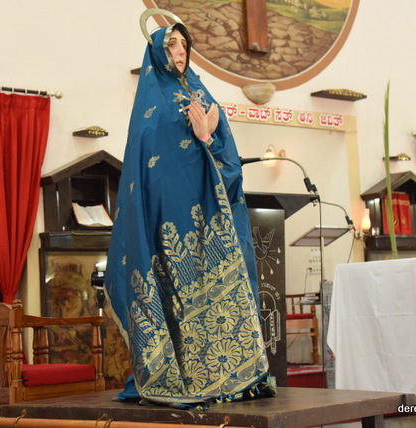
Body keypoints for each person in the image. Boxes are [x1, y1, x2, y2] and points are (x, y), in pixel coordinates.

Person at [105, 9, 275, 409]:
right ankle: (180, 374)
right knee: (176, 297)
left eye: (184, 44)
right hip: (168, 221)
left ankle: (232, 377)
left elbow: (229, 167)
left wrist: (207, 137)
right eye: (171, 44)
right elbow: (146, 172)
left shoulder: (203, 95)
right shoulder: (150, 110)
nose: (180, 51)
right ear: (157, 52)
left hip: (209, 220)